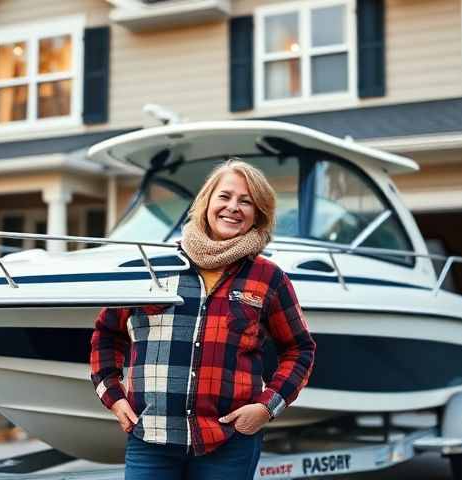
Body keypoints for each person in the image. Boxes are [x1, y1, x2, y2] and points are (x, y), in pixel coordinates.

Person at [90, 158, 316, 480]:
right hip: (151, 439)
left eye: (246, 201)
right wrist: (113, 396)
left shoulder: (269, 278)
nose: (233, 207)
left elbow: (299, 350)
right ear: (207, 201)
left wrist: (267, 407)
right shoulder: (152, 268)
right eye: (224, 196)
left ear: (258, 214)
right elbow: (107, 333)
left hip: (229, 443)